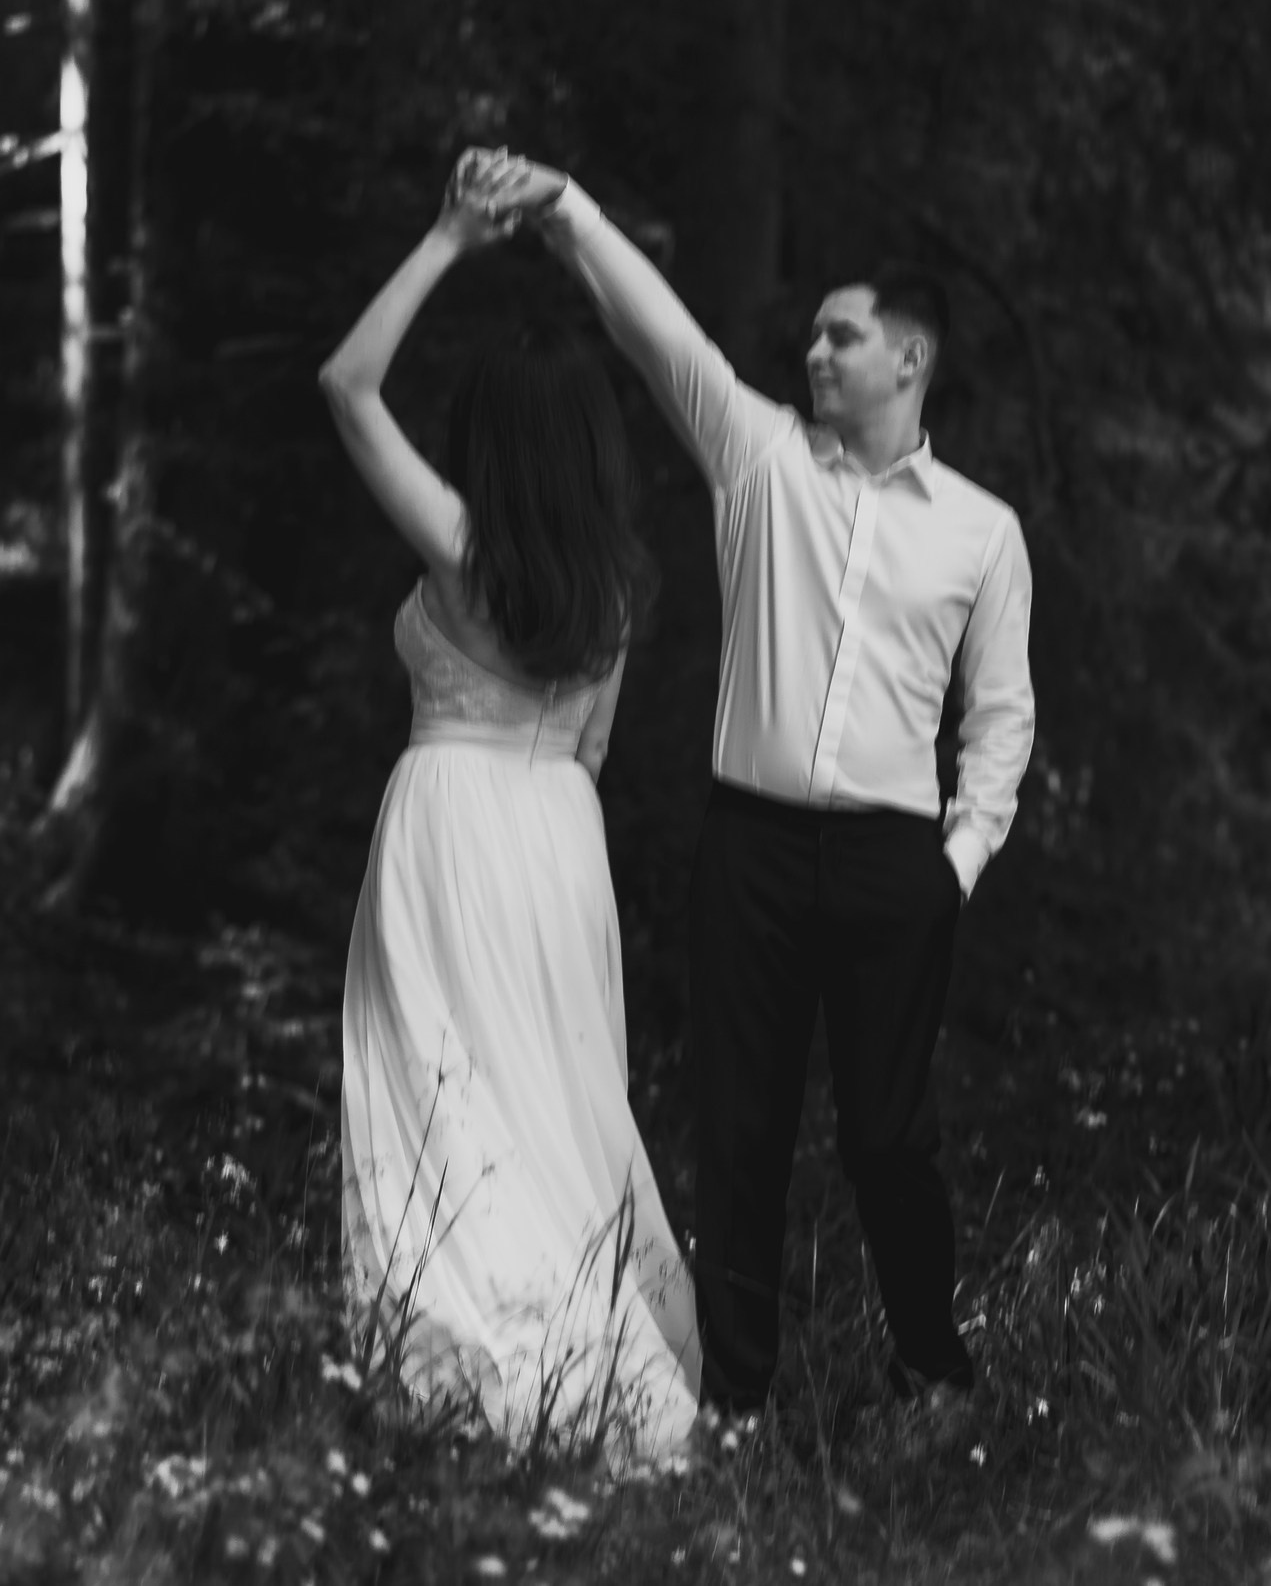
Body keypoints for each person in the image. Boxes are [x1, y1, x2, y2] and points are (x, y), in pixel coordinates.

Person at [491, 151, 1036, 1414]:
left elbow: (1000, 719)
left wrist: (953, 865)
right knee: (738, 1135)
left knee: (888, 1139)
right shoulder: (758, 461)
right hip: (749, 851)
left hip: (895, 865)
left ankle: (931, 1374)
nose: (816, 355)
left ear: (910, 360)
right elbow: (655, 330)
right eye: (810, 340)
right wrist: (564, 205)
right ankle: (735, 1404)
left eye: (841, 338)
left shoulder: (981, 530)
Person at [316, 153, 699, 1464]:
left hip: (451, 827)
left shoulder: (462, 543)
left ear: (487, 434)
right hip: (557, 842)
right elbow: (588, 745)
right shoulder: (617, 590)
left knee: (444, 1096)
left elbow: (346, 386)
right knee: (556, 1098)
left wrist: (445, 238)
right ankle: (570, 1365)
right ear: (590, 447)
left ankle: (471, 1375)